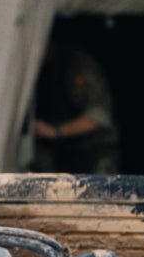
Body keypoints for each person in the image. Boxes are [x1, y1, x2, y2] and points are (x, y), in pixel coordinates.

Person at [31, 45, 121, 173]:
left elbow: (99, 117)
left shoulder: (78, 66)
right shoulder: (50, 69)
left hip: (94, 154)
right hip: (69, 156)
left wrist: (55, 131)